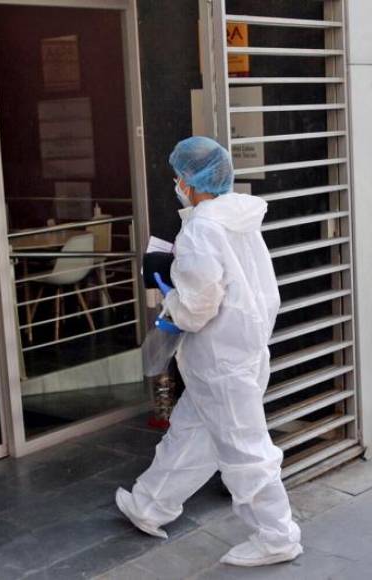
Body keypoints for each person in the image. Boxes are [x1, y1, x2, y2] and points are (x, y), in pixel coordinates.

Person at [115, 136, 302, 567]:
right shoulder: (239, 218)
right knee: (192, 433)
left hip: (220, 359)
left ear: (189, 180)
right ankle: (150, 505)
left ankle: (276, 536)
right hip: (242, 351)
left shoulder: (202, 228)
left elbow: (198, 306)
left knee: (245, 448)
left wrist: (170, 297)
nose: (176, 183)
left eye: (178, 176)